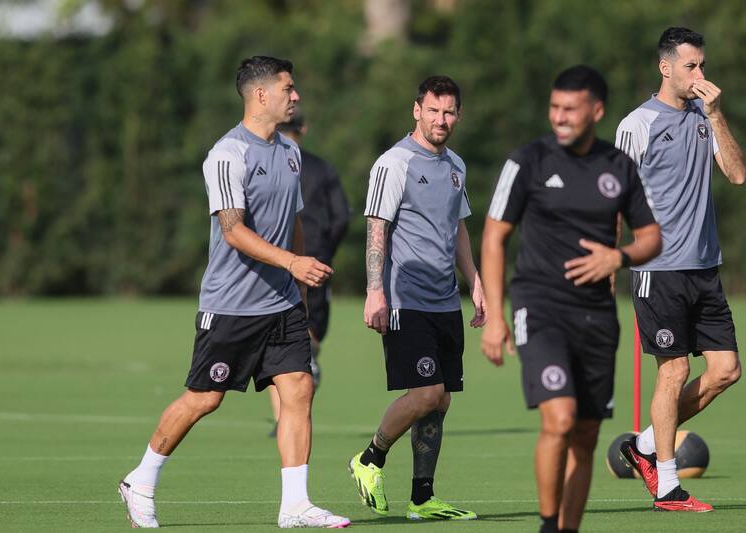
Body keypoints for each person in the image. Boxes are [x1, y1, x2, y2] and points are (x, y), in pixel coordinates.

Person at [117, 56, 350, 529]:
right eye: (288, 88)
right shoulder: (227, 154)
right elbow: (233, 231)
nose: (296, 95)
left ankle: (296, 504)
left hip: (283, 303)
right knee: (205, 398)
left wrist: (300, 292)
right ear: (261, 95)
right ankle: (140, 480)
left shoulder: (291, 152)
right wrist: (292, 263)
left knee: (299, 386)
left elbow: (295, 224)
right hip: (231, 306)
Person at [480, 65, 661, 533]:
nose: (559, 117)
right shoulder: (528, 161)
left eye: (570, 109)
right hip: (539, 307)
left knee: (585, 435)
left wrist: (617, 258)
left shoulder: (618, 167)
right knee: (559, 419)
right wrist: (496, 317)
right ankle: (547, 524)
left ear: (596, 111)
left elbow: (651, 237)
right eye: (554, 107)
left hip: (597, 316)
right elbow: (494, 237)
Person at [614, 26, 746, 512]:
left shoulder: (704, 116)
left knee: (726, 370)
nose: (699, 74)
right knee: (674, 369)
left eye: (703, 65)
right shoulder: (637, 124)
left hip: (704, 267)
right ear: (665, 67)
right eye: (691, 66)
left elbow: (737, 174)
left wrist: (716, 115)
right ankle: (667, 486)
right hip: (658, 268)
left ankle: (645, 445)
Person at [348, 75, 485, 521]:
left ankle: (423, 499)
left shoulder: (456, 166)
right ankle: (369, 458)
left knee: (440, 400)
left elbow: (458, 227)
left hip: (445, 301)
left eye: (449, 112)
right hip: (405, 298)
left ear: (458, 115)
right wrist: (374, 291)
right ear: (416, 111)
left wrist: (475, 281)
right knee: (427, 392)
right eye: (433, 110)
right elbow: (377, 227)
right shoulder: (394, 163)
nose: (441, 119)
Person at [267, 111, 351, 436]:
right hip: (315, 261)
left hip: (276, 258)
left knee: (274, 337)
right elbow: (341, 216)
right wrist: (327, 250)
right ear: (304, 127)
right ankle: (308, 363)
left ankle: (281, 418)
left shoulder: (267, 162)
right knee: (311, 329)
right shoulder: (321, 167)